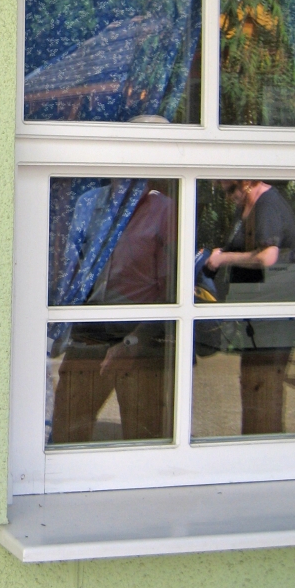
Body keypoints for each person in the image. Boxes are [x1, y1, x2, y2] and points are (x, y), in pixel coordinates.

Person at [50, 183, 176, 444]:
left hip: (139, 336)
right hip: (88, 331)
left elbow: (172, 292)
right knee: (67, 430)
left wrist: (134, 343)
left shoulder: (164, 210)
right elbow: (67, 270)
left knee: (145, 436)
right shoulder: (89, 203)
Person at [205, 181, 295, 434]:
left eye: (231, 190)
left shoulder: (267, 205)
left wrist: (223, 259)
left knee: (265, 384)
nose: (228, 197)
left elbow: (267, 257)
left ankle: (264, 449)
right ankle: (252, 441)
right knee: (251, 384)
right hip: (254, 314)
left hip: (273, 315)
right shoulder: (247, 205)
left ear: (248, 182)